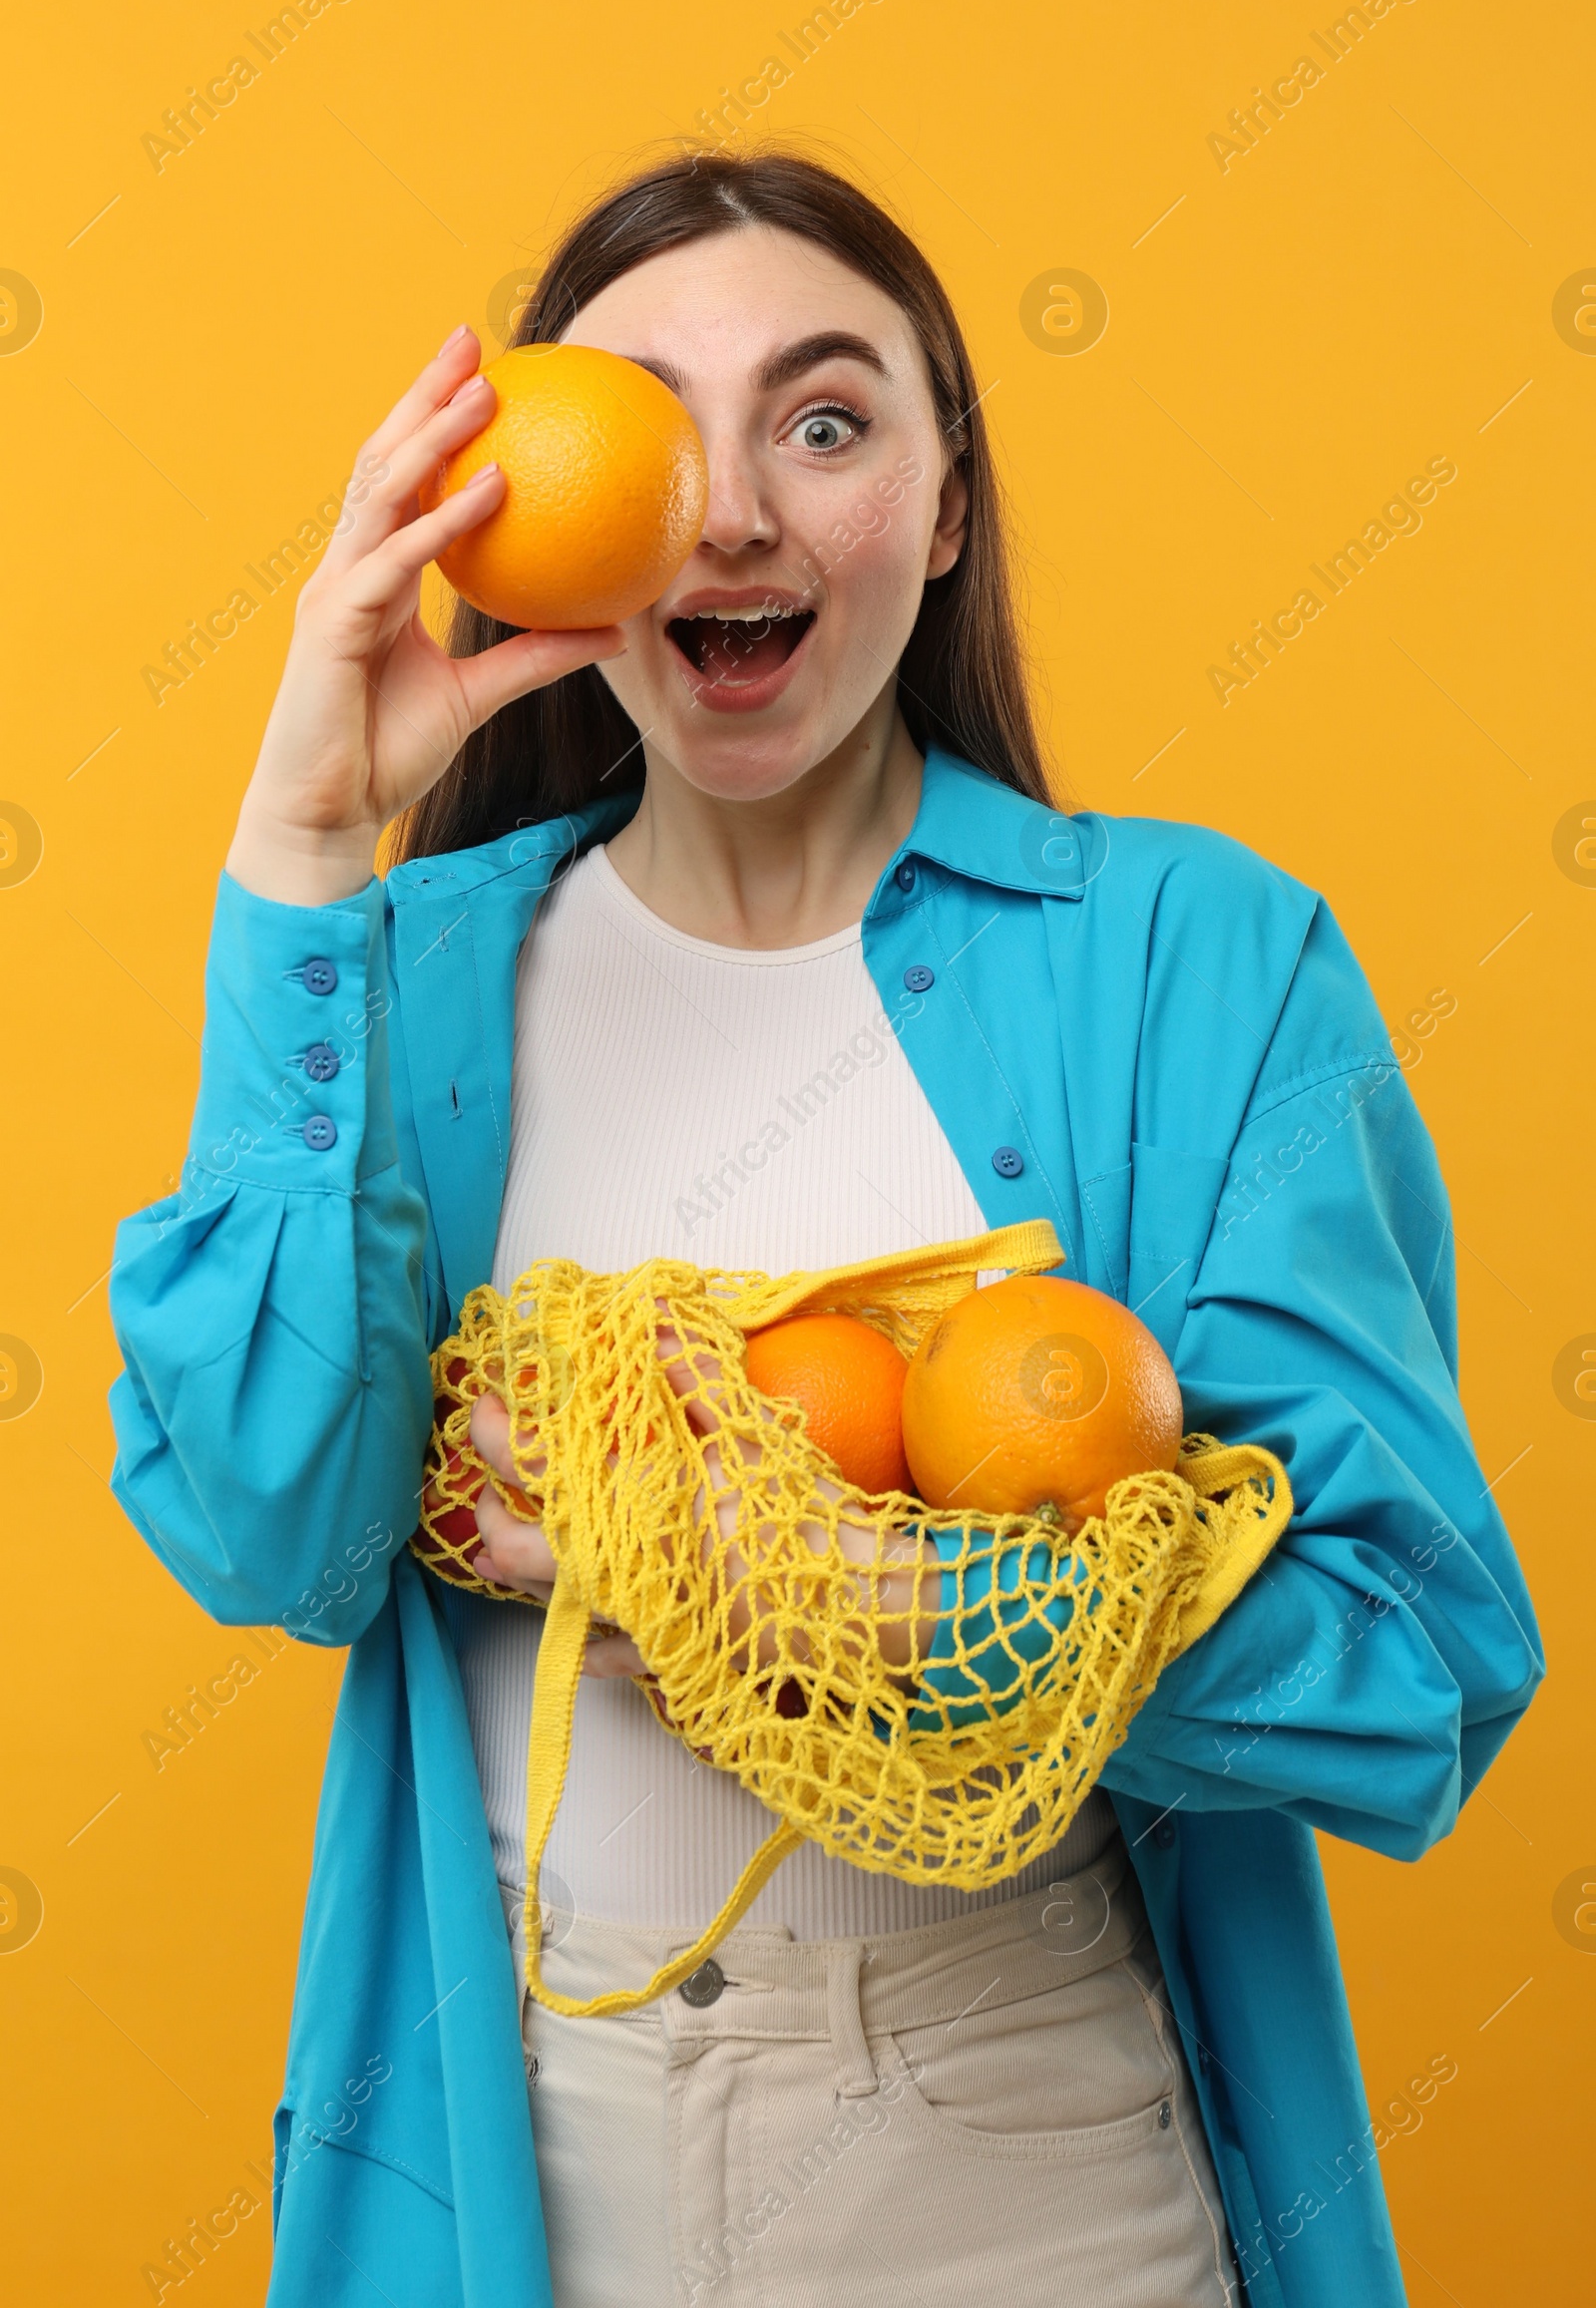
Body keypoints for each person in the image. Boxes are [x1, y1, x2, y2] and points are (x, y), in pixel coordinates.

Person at [107, 150, 1541, 2308]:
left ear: (946, 504)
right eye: (648, 430)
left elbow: (1411, 1675)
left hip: (1019, 2138)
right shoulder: (397, 977)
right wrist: (305, 849)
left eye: (823, 418)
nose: (726, 514)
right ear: (522, 511)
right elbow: (267, 1529)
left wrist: (885, 1610)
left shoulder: (1203, 967)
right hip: (518, 2125)